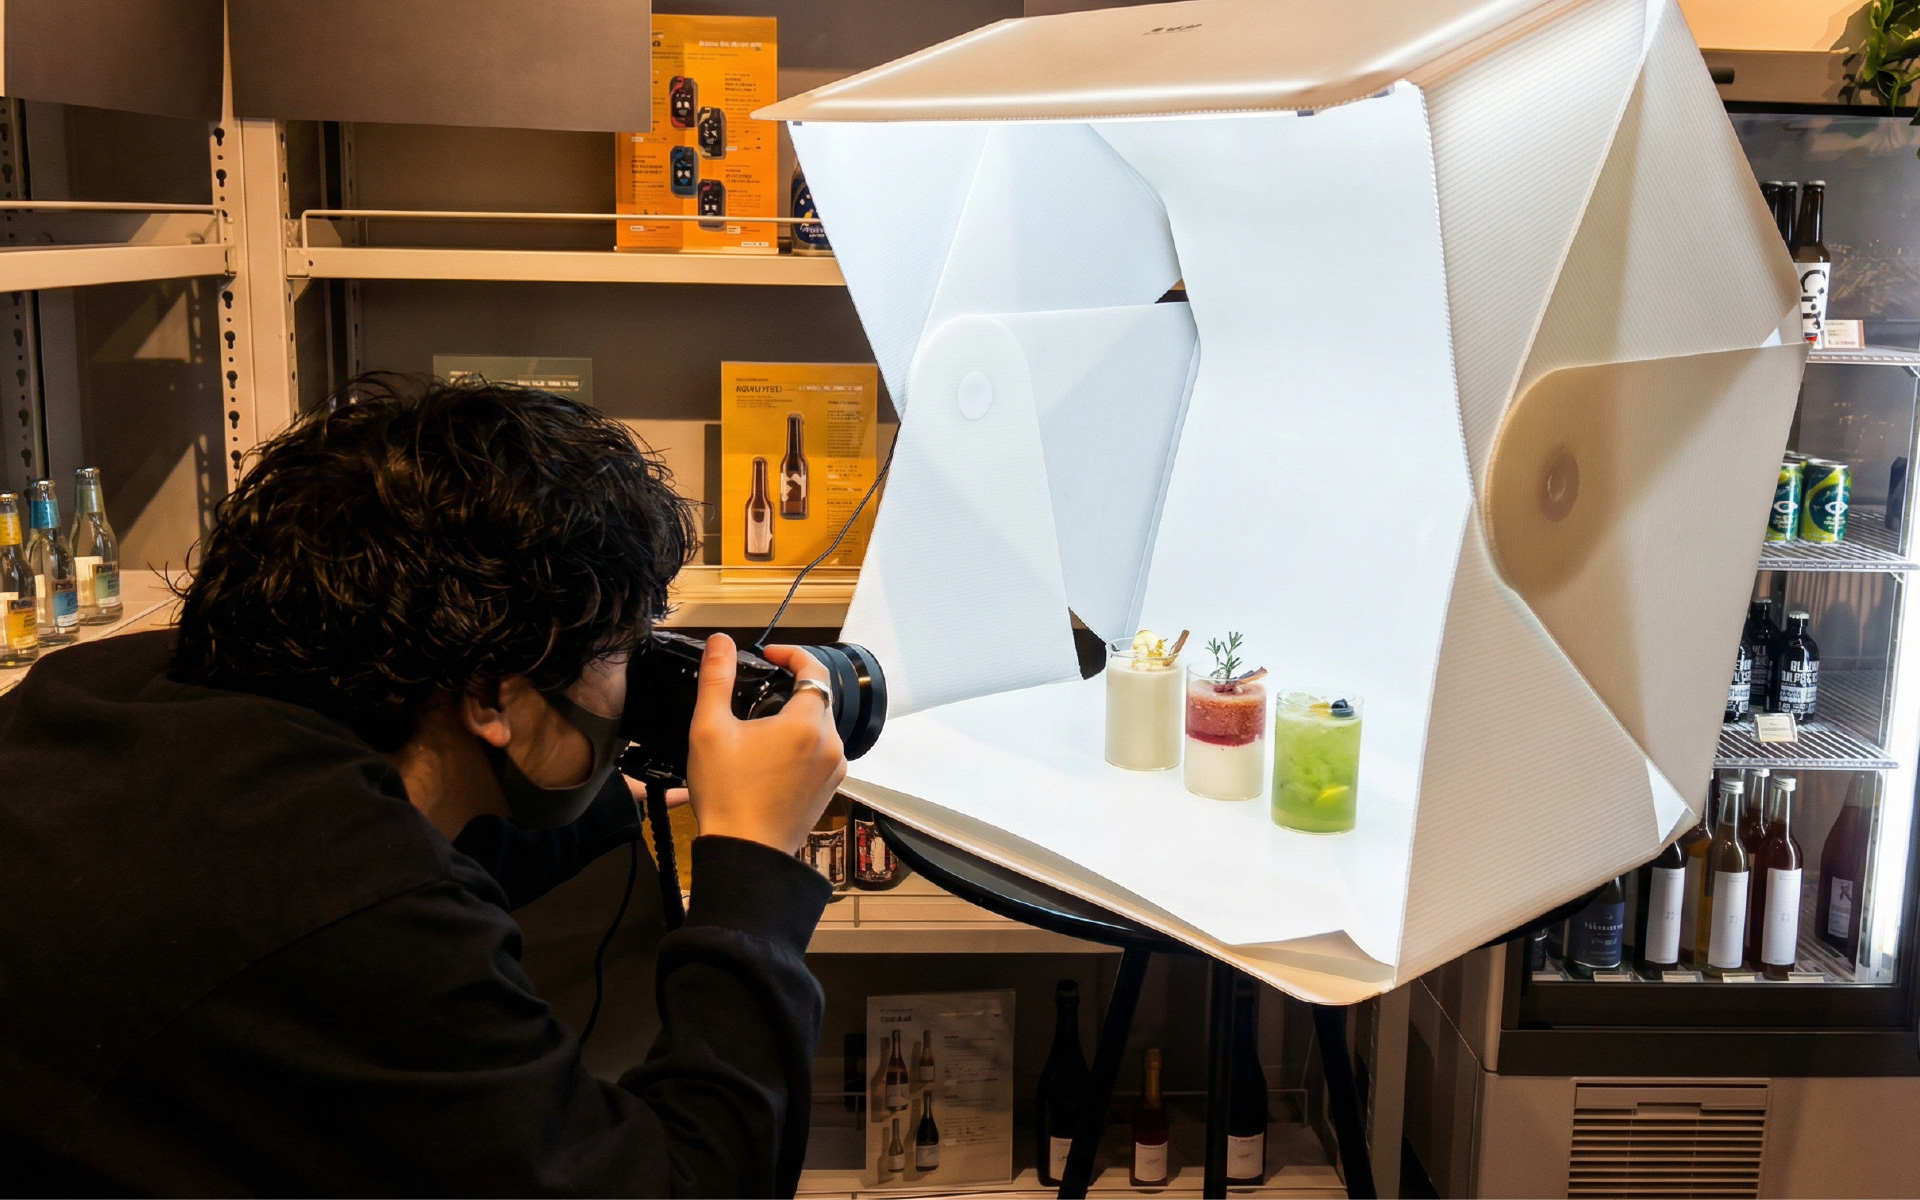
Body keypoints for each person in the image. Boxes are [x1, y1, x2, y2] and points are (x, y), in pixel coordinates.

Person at [0, 377, 848, 1196]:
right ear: (490, 697)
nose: (632, 686)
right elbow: (689, 1184)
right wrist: (753, 875)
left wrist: (601, 800)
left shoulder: (104, 695)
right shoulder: (359, 913)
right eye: (624, 650)